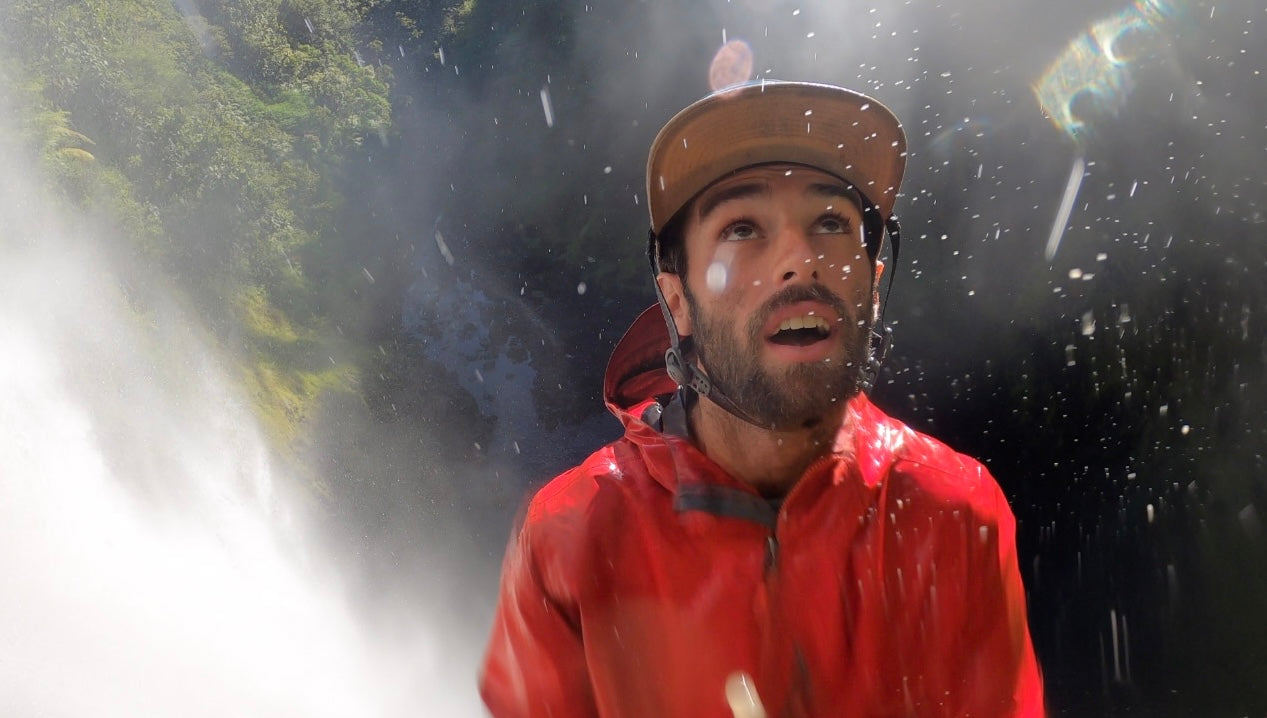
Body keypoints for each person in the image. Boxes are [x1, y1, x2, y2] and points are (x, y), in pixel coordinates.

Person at [479, 81, 1044, 717]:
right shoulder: (569, 538)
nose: (800, 260)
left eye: (831, 222)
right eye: (743, 227)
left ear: (875, 285)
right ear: (677, 301)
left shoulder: (953, 513)